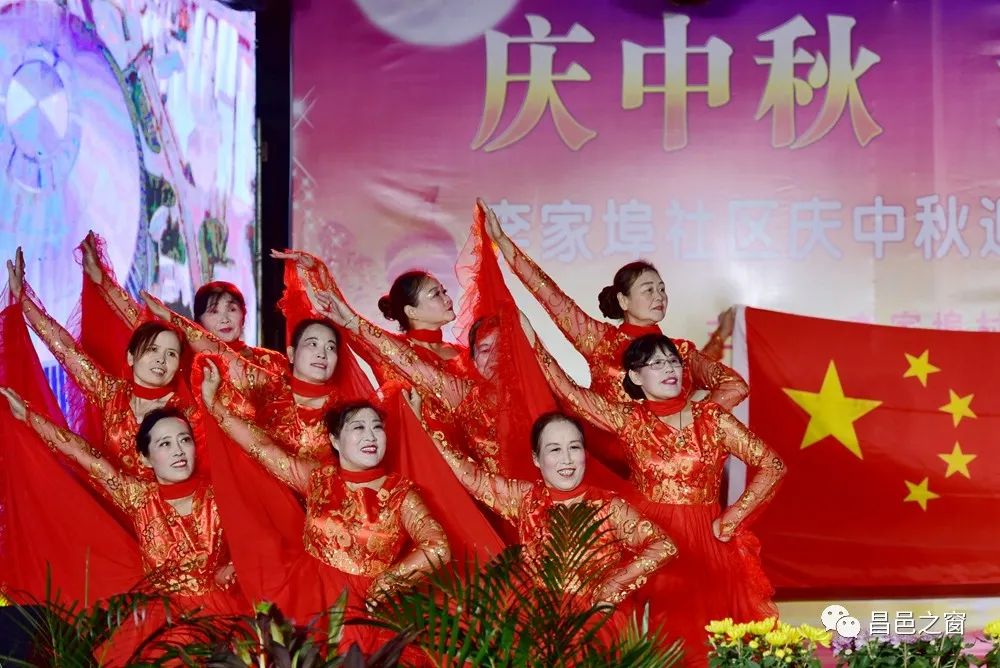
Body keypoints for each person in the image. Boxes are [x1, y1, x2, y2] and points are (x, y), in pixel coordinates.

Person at [528, 329, 785, 667]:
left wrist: (733, 517)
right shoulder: (630, 420)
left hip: (706, 541)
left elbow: (772, 464)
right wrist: (531, 336)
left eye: (673, 362)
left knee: (706, 642)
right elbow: (569, 392)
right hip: (648, 539)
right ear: (636, 376)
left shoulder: (712, 418)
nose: (668, 369)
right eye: (656, 364)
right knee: (652, 643)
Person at [199, 358, 450, 625]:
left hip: (362, 611)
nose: (371, 436)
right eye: (358, 427)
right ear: (335, 441)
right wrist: (214, 404)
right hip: (306, 599)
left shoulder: (400, 495)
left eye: (377, 427)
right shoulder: (319, 479)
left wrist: (387, 582)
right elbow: (263, 448)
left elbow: (439, 547)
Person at [0, 391, 244, 664]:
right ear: (145, 458)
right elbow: (87, 457)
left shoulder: (219, 495)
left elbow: (256, 539)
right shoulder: (139, 497)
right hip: (160, 620)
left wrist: (232, 567)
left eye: (184, 440)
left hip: (219, 612)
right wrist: (30, 417)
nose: (178, 450)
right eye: (164, 443)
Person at [408, 393, 676, 610]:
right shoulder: (525, 498)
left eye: (574, 447)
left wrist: (611, 588)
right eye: (555, 449)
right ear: (536, 459)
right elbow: (472, 477)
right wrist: (422, 424)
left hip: (596, 622)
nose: (567, 459)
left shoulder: (610, 506)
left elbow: (663, 546)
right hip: (538, 622)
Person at [481, 201, 747, 409]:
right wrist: (503, 242)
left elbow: (732, 385)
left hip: (661, 461)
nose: (659, 296)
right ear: (623, 300)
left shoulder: (680, 351)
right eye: (648, 290)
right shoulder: (600, 340)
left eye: (662, 289)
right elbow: (552, 297)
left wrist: (693, 420)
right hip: (600, 456)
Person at [7, 248, 196, 478]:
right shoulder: (111, 394)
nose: (161, 359)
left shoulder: (186, 412)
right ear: (131, 357)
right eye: (152, 349)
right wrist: (23, 300)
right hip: (108, 498)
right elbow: (66, 349)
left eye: (171, 354)